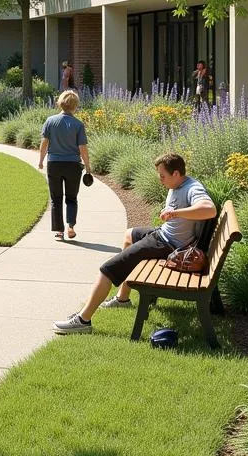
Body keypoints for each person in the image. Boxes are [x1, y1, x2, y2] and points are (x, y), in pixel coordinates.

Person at [52, 152, 217, 334]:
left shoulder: (193, 188)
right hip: (164, 235)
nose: (160, 180)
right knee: (129, 235)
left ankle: (83, 320)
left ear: (176, 174)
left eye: (163, 176)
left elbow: (209, 210)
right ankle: (123, 299)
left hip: (169, 246)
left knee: (108, 269)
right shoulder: (178, 184)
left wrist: (176, 213)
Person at [37, 90, 91, 241]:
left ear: (60, 103)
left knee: (56, 198)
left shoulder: (50, 121)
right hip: (73, 166)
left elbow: (44, 143)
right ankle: (71, 226)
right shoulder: (78, 124)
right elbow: (83, 148)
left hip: (54, 164)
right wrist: (87, 166)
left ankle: (59, 231)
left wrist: (41, 160)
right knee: (72, 198)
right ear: (75, 106)